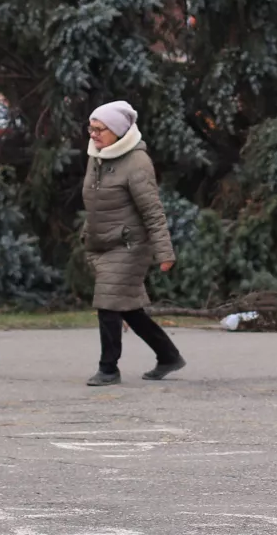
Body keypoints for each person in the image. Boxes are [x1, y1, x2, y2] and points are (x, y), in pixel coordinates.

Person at [81, 100, 186, 386]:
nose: (93, 135)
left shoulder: (137, 162)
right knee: (127, 308)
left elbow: (153, 211)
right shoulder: (97, 156)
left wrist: (165, 252)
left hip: (130, 245)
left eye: (99, 129)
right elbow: (96, 202)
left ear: (116, 130)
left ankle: (108, 368)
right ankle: (168, 356)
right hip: (103, 243)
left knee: (108, 302)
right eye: (91, 129)